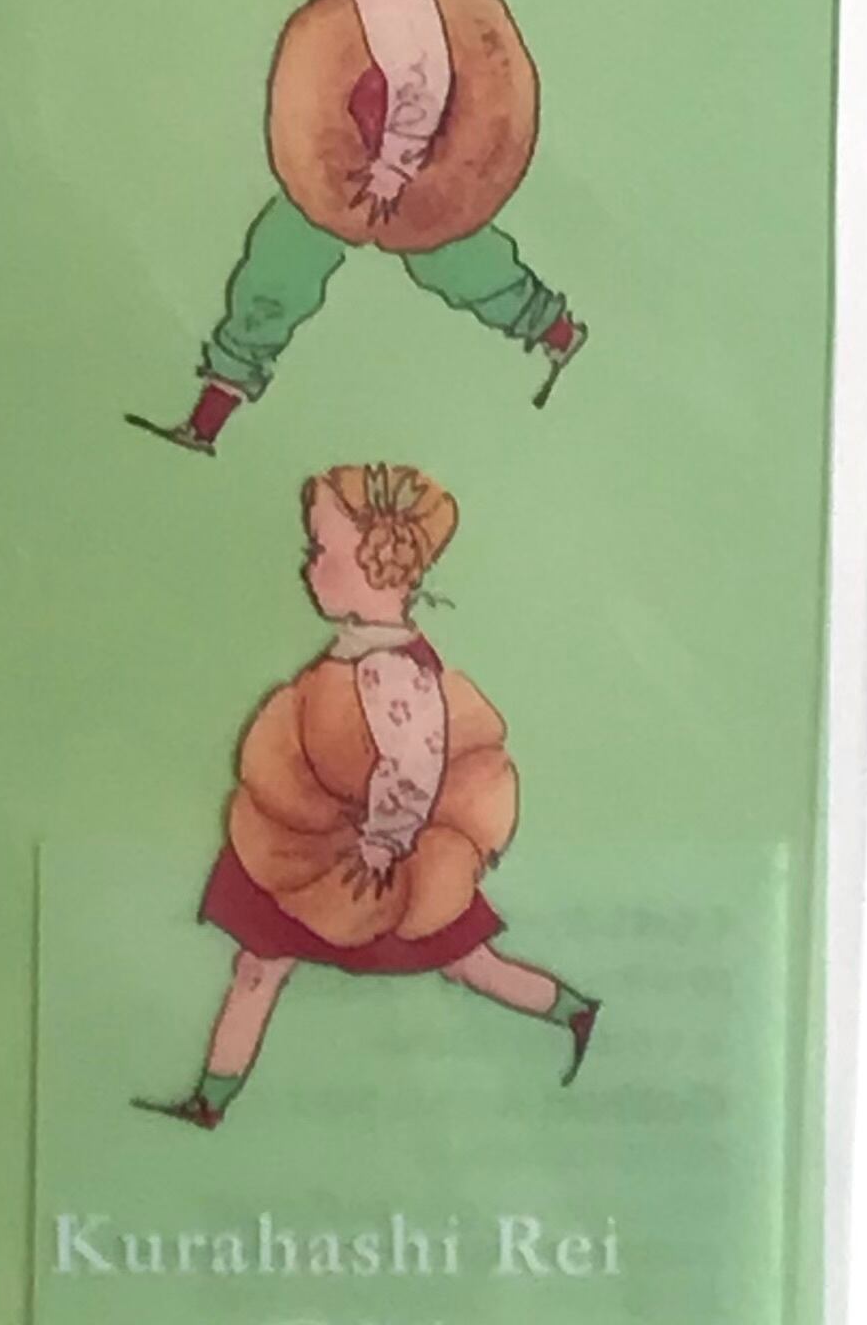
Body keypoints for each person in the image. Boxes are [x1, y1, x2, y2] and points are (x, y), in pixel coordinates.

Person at [129, 0, 585, 457]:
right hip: (341, 170)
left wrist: (392, 171)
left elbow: (421, 86)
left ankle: (552, 329)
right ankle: (213, 409)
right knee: (278, 268)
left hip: (387, 178)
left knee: (452, 262)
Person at [136, 465, 602, 1130]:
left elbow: (413, 765)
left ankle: (573, 1010)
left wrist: (384, 842)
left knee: (465, 964)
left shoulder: (390, 669)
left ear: (374, 562)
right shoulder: (363, 648)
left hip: (362, 859)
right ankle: (211, 1099)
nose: (307, 567)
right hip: (321, 837)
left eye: (319, 550)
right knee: (259, 963)